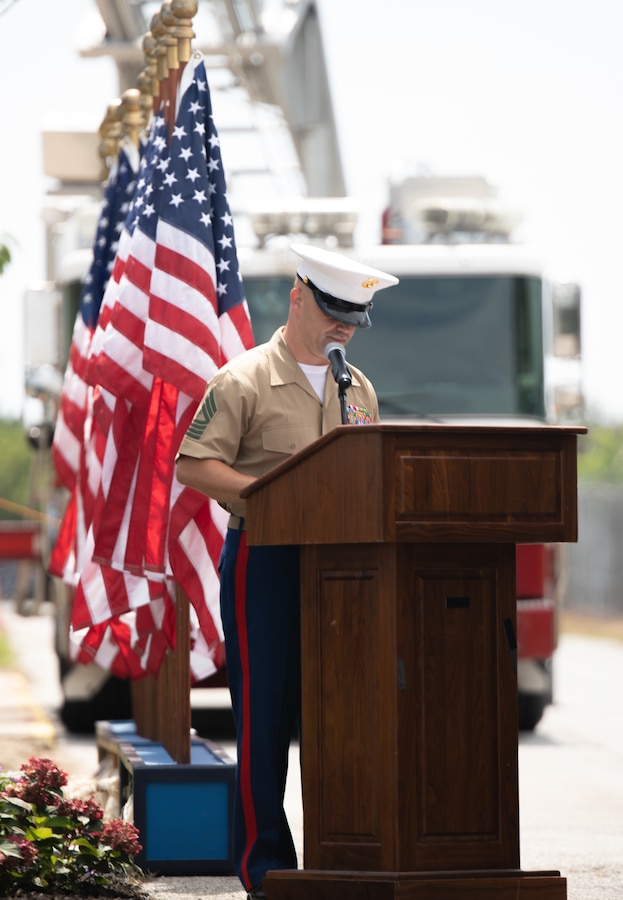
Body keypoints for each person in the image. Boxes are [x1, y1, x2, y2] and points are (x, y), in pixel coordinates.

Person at [175, 242, 398, 900]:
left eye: (354, 317)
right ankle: (264, 867)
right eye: (332, 311)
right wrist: (266, 496)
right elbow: (194, 465)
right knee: (266, 716)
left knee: (343, 712)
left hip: (346, 570)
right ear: (297, 298)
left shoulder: (358, 388)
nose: (343, 327)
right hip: (265, 562)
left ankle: (342, 853)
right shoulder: (242, 380)